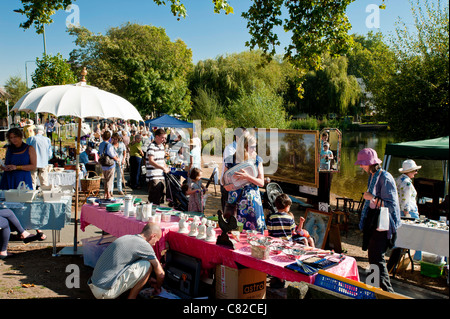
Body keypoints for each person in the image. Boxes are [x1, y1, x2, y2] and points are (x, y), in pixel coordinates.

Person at [354, 148, 401, 292]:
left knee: (377, 258)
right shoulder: (373, 175)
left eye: (363, 164)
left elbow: (391, 205)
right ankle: (372, 288)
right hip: (374, 221)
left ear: (370, 163)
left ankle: (388, 292)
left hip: (383, 224)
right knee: (372, 256)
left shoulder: (385, 178)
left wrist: (372, 198)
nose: (361, 166)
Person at [88, 223, 165, 299]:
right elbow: (161, 274)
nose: (155, 244)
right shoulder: (144, 245)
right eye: (156, 241)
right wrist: (158, 287)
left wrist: (148, 278)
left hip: (94, 285)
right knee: (147, 266)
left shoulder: (127, 237)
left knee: (143, 261)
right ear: (153, 236)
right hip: (104, 291)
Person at [223, 134, 266, 233]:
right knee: (234, 232)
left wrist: (248, 177)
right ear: (244, 147)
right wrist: (226, 186)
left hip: (252, 204)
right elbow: (223, 180)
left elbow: (261, 182)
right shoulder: (230, 159)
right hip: (234, 203)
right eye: (252, 146)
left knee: (254, 234)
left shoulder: (257, 160)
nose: (254, 149)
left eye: (255, 146)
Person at [220, 127, 248, 211]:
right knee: (228, 214)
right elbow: (233, 169)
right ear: (238, 137)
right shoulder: (230, 149)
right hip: (228, 185)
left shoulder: (244, 149)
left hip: (237, 186)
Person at [146, 128, 169, 205]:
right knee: (154, 198)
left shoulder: (162, 146)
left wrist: (165, 166)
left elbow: (162, 160)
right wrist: (162, 167)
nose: (164, 140)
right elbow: (151, 161)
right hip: (153, 175)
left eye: (165, 138)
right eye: (162, 137)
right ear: (157, 137)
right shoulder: (151, 146)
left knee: (161, 196)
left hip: (161, 175)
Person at [26, 125, 53, 190]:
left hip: (33, 163)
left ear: (35, 131)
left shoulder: (31, 139)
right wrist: (45, 159)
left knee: (32, 182)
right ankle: (44, 197)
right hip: (44, 163)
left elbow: (26, 151)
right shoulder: (47, 140)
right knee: (44, 183)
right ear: (43, 132)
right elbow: (50, 154)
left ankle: (32, 197)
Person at [98, 131, 119, 199]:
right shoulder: (109, 145)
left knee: (105, 180)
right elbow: (112, 155)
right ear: (109, 138)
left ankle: (106, 193)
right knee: (109, 180)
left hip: (103, 164)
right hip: (109, 164)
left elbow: (100, 152)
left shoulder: (101, 144)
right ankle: (108, 194)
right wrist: (117, 159)